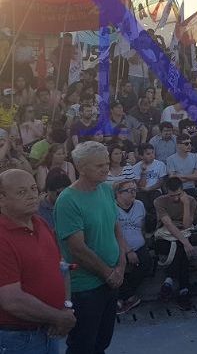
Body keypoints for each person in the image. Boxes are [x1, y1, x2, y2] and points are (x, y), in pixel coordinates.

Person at [54, 141, 128, 354]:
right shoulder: (68, 200)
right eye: (99, 165)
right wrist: (108, 274)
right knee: (82, 345)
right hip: (86, 287)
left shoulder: (105, 189)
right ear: (81, 168)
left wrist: (121, 265)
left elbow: (116, 228)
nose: (106, 168)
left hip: (112, 279)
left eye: (106, 163)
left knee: (102, 341)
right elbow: (77, 248)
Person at [0, 169, 76, 354]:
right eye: (21, 192)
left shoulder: (39, 223)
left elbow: (62, 267)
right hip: (19, 339)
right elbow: (12, 300)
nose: (32, 196)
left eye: (33, 188)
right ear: (1, 198)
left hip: (49, 330)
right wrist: (58, 317)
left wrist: (66, 307)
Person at [153, 177, 196, 311]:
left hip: (184, 232)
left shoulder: (191, 201)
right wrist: (185, 243)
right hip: (165, 235)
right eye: (172, 195)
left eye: (178, 194)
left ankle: (169, 281)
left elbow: (187, 225)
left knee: (180, 249)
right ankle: (184, 289)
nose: (176, 198)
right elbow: (168, 224)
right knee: (181, 249)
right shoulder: (159, 201)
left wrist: (186, 204)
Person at [114, 179, 152, 314]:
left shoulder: (139, 205)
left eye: (134, 190)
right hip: (119, 246)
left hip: (139, 245)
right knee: (115, 266)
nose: (133, 193)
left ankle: (123, 297)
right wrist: (128, 250)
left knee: (147, 262)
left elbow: (142, 226)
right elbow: (115, 233)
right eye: (129, 190)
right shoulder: (112, 208)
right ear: (118, 193)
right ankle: (129, 297)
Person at [166, 134, 197, 220]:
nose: (189, 145)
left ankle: (192, 219)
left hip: (191, 187)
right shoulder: (171, 159)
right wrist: (191, 176)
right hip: (179, 190)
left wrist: (181, 176)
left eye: (190, 143)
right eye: (186, 144)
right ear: (178, 145)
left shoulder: (195, 156)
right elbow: (173, 179)